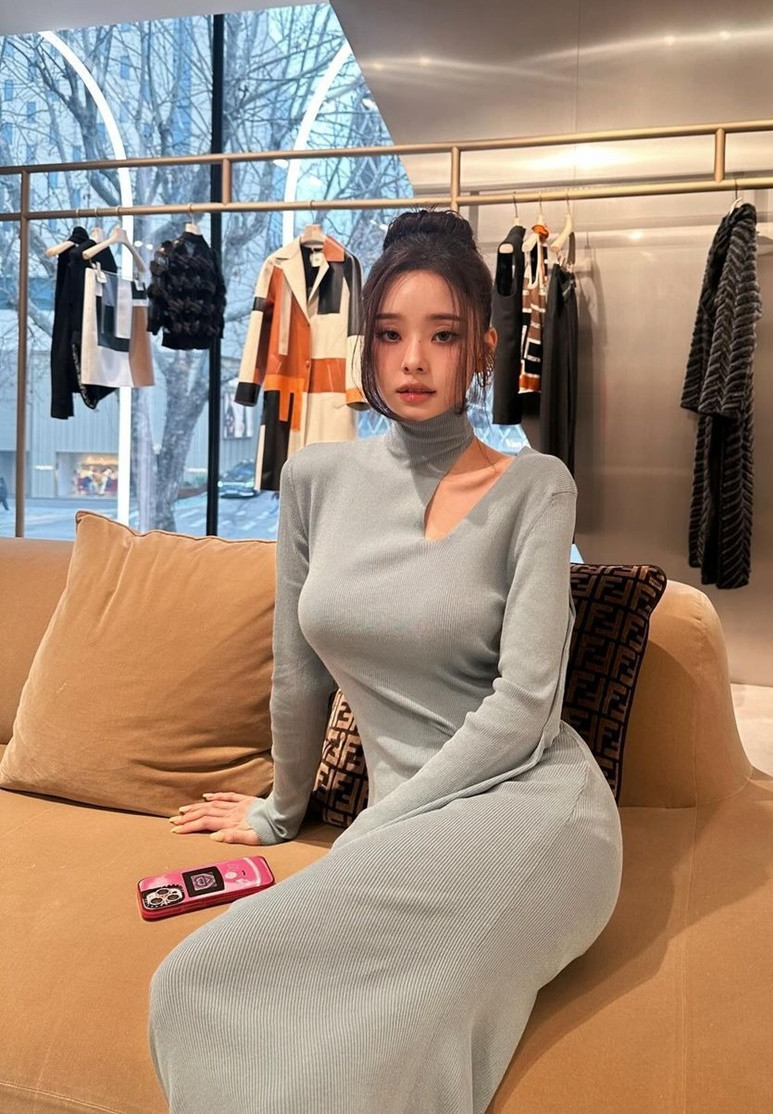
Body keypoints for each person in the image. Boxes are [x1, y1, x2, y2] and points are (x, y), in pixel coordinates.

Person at [147, 210, 623, 1114]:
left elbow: (524, 706)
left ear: (482, 348)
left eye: (443, 335)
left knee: (383, 1042)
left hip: (530, 808)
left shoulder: (537, 486)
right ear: (366, 344)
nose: (413, 361)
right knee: (190, 985)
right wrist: (282, 810)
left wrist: (375, 828)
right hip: (402, 828)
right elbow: (298, 673)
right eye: (393, 334)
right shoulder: (314, 483)